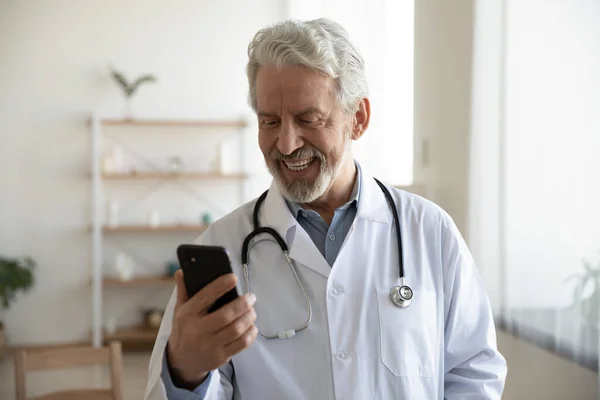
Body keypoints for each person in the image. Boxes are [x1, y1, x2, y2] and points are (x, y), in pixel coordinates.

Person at [144, 18, 507, 400]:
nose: (285, 144)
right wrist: (186, 372)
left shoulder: (430, 231)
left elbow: (473, 371)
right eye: (269, 121)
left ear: (359, 119)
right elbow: (170, 391)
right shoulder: (223, 244)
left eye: (308, 120)